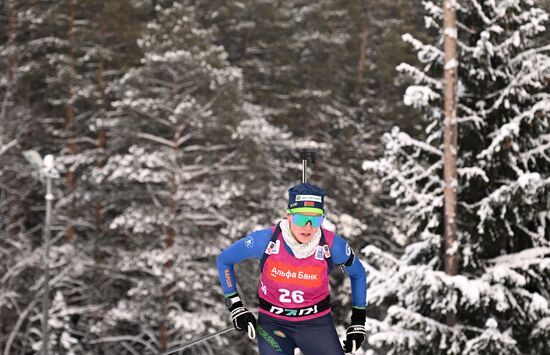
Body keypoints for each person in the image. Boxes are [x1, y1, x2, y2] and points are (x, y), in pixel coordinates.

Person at [217, 183, 367, 354]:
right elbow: (224, 260)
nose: (308, 227)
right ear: (289, 216)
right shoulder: (265, 241)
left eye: (316, 219)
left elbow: (358, 274)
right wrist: (235, 305)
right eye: (301, 218)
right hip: (273, 325)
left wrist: (358, 322)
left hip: (316, 325)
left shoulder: (332, 246)